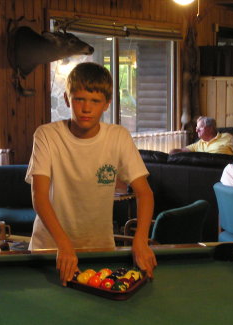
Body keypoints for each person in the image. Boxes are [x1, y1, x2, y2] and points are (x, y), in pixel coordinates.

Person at [25, 62, 156, 286]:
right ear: (67, 99)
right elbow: (39, 196)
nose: (87, 108)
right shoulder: (46, 135)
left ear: (106, 104)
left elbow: (144, 193)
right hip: (50, 248)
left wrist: (141, 239)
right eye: (79, 99)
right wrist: (64, 245)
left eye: (95, 101)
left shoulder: (119, 137)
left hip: (99, 250)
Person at [169, 116, 233, 155]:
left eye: (200, 128)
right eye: (196, 128)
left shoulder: (228, 137)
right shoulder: (199, 143)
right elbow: (181, 151)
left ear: (210, 128)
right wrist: (171, 153)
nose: (196, 131)